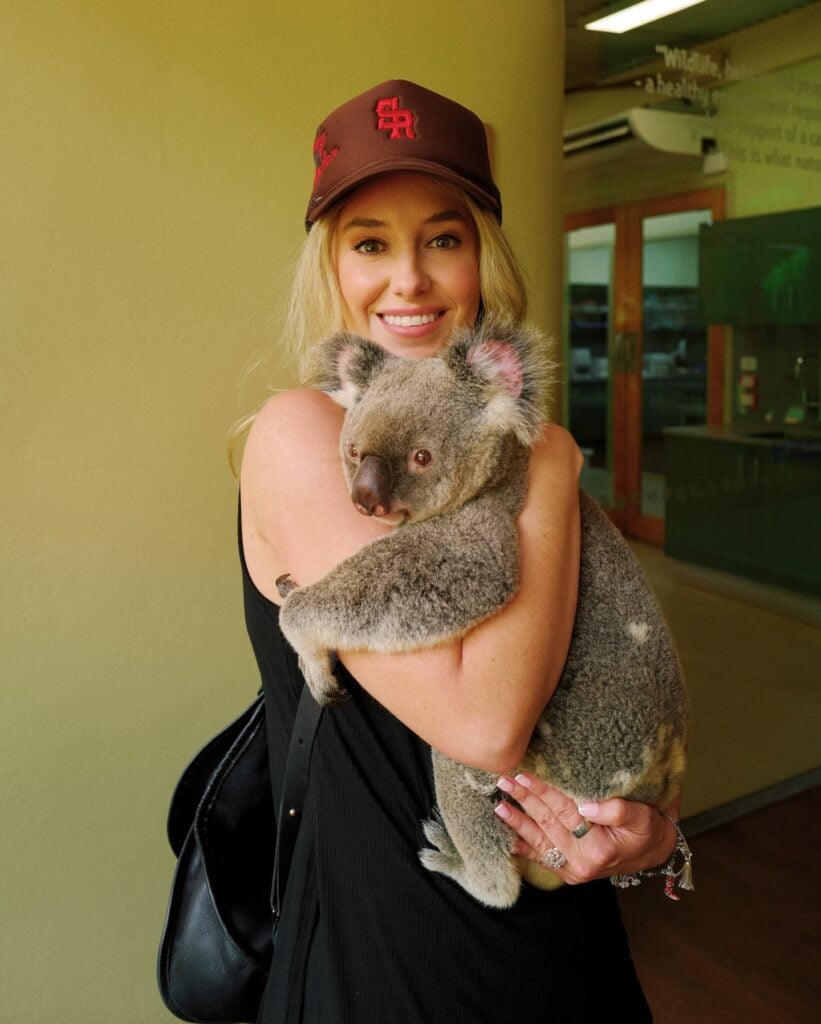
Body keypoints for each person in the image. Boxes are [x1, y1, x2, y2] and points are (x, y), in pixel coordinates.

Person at [237, 80, 680, 1023]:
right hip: (389, 957)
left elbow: (592, 676)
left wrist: (647, 837)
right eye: (370, 243)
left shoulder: (494, 441)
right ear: (332, 266)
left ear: (481, 257)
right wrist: (554, 461)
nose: (410, 278)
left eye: (443, 238)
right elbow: (481, 725)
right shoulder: (301, 431)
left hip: (563, 943)